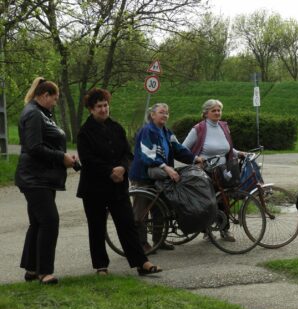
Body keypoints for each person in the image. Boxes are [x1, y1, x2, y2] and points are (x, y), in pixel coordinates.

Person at [76, 88, 162, 276]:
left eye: (105, 105)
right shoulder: (85, 132)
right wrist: (110, 171)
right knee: (97, 227)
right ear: (91, 109)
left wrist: (123, 168)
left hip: (118, 186)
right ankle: (101, 266)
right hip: (95, 188)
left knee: (127, 224)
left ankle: (141, 262)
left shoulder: (116, 128)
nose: (103, 109)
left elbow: (127, 154)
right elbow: (88, 160)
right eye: (99, 106)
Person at [15, 77, 78, 284]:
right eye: (55, 98)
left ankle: (32, 269)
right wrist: (61, 157)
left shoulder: (42, 113)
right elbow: (34, 147)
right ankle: (45, 272)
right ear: (44, 95)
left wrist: (67, 157)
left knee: (38, 223)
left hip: (42, 177)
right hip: (34, 178)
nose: (55, 102)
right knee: (50, 221)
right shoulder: (33, 114)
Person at [129, 103, 203, 252]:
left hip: (159, 176)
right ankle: (141, 243)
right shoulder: (147, 131)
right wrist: (165, 167)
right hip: (143, 175)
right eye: (162, 112)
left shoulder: (166, 132)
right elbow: (148, 154)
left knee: (160, 210)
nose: (165, 115)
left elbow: (179, 149)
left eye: (167, 113)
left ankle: (159, 240)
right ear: (153, 115)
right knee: (140, 212)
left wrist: (195, 159)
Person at [182, 99, 245, 242]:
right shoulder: (198, 128)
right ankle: (207, 230)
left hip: (223, 170)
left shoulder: (223, 126)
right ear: (206, 113)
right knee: (208, 202)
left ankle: (225, 230)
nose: (217, 113)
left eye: (219, 110)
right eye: (214, 111)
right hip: (205, 171)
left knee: (224, 199)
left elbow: (227, 147)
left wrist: (239, 153)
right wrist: (195, 160)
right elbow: (183, 148)